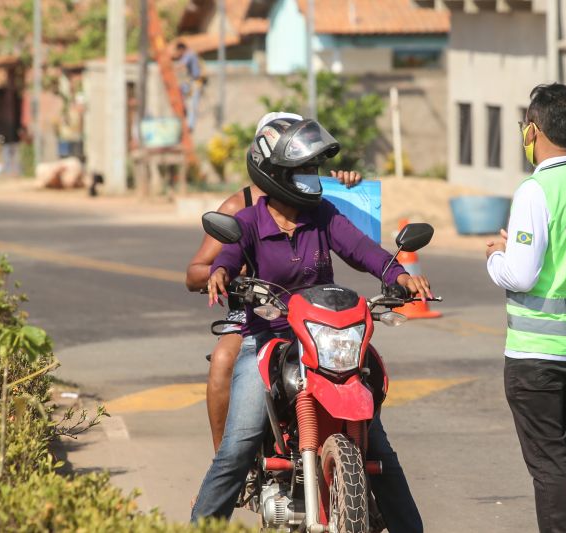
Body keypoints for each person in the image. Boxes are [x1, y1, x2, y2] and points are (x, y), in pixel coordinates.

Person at [191, 114, 430, 531]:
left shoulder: (323, 214)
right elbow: (227, 257)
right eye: (301, 171)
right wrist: (222, 274)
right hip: (267, 341)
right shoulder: (248, 223)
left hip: (327, 340)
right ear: (275, 174)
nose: (311, 179)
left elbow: (364, 251)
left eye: (312, 170)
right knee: (238, 447)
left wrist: (399, 276)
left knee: (379, 448)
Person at [185, 112, 361, 453]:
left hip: (317, 312)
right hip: (259, 313)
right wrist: (229, 275)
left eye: (311, 163)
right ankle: (227, 462)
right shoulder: (241, 207)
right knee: (224, 361)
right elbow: (195, 271)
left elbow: (359, 244)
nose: (308, 170)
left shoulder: (318, 197)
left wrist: (351, 186)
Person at [485, 82, 566, 533]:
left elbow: (520, 275)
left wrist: (496, 257)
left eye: (525, 123)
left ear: (534, 131)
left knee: (550, 463)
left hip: (535, 354)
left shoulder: (535, 190)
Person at [172, 41, 205, 131]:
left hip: (196, 82)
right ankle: (183, 109)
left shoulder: (189, 54)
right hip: (192, 82)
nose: (178, 54)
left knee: (193, 104)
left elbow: (182, 65)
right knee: (181, 90)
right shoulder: (191, 54)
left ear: (181, 49)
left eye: (178, 51)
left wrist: (170, 69)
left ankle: (190, 125)